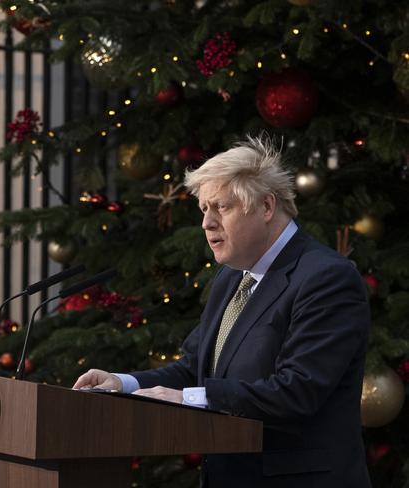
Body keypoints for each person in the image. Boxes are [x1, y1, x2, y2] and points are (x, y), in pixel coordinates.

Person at [73, 135, 371, 488]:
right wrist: (124, 385)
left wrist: (190, 398)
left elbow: (297, 392)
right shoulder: (233, 277)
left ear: (265, 207)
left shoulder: (326, 278)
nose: (207, 223)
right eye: (203, 210)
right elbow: (194, 369)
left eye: (221, 208)